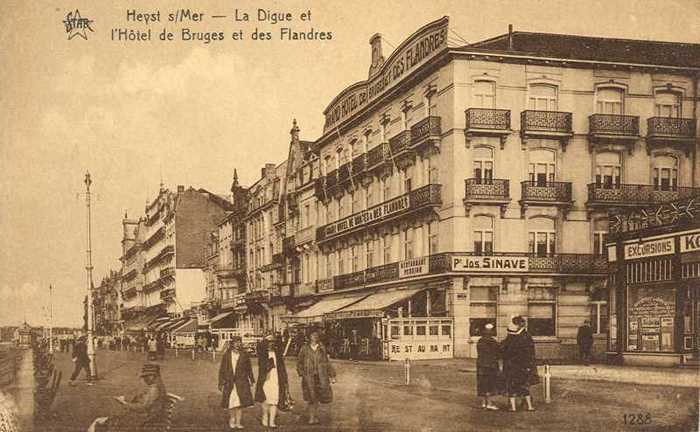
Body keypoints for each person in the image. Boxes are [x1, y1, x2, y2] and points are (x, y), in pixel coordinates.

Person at [89, 364, 168, 432]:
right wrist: (127, 398)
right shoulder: (157, 385)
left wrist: (125, 403)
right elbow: (146, 399)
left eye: (146, 377)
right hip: (149, 416)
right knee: (111, 419)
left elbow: (143, 407)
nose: (144, 379)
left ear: (152, 376)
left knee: (105, 422)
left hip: (147, 420)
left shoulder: (155, 388)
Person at [297, 328, 336, 425]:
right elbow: (299, 362)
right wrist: (302, 373)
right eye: (313, 335)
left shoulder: (321, 348)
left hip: (321, 376)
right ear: (309, 337)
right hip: (309, 376)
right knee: (311, 397)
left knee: (317, 397)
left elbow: (327, 363)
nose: (315, 337)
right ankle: (312, 417)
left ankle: (313, 416)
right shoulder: (304, 348)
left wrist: (332, 375)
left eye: (316, 335)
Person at [255, 332, 290, 428]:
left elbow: (282, 368)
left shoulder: (277, 354)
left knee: (275, 399)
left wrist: (284, 379)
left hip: (276, 379)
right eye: (269, 342)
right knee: (265, 399)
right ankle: (265, 417)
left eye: (273, 342)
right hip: (266, 379)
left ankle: (272, 421)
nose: (271, 344)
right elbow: (262, 366)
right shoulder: (263, 354)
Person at [219, 337, 255, 430]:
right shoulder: (227, 355)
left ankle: (238, 422)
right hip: (230, 382)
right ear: (232, 344)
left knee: (240, 402)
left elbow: (249, 368)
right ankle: (232, 419)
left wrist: (251, 379)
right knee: (231, 402)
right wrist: (221, 382)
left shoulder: (244, 355)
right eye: (236, 342)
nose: (238, 344)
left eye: (239, 342)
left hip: (241, 382)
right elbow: (222, 369)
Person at [501, 316, 536, 412]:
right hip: (521, 365)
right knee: (523, 386)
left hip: (514, 366)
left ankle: (513, 407)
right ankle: (528, 406)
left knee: (513, 386)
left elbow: (504, 351)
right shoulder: (525, 336)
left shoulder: (511, 338)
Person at [476, 323, 501, 410]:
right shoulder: (493, 342)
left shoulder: (480, 341)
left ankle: (484, 402)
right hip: (491, 365)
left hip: (481, 365)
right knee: (490, 384)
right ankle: (489, 403)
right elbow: (498, 353)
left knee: (482, 383)